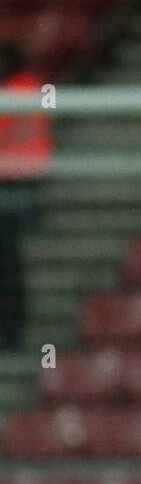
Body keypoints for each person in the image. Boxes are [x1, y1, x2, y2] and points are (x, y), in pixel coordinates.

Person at [0, 41, 50, 348]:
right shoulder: (30, 87)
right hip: (20, 179)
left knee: (8, 263)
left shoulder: (21, 89)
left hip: (18, 182)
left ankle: (11, 334)